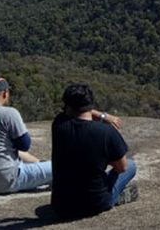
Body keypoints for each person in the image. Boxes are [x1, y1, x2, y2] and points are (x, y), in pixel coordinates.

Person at [51, 83, 136, 219]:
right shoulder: (107, 132)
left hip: (61, 206)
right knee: (131, 165)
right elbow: (122, 168)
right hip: (94, 205)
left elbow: (68, 113)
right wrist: (104, 117)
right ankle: (114, 198)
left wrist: (102, 116)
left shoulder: (58, 124)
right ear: (91, 105)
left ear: (68, 107)